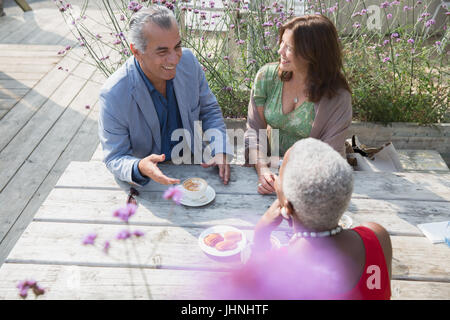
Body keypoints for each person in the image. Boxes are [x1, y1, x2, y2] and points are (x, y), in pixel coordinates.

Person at [220, 138, 391, 299]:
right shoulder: (377, 236)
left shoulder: (277, 268)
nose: (277, 179)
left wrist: (261, 236)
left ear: (287, 205)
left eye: (280, 172)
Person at [98, 5, 232, 187]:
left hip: (195, 167)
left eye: (177, 46)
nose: (175, 58)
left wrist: (220, 149)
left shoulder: (189, 62)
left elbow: (209, 110)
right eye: (162, 52)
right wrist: (138, 166)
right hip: (147, 183)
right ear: (136, 51)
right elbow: (115, 157)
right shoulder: (112, 94)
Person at [244, 14, 352, 195]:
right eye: (281, 43)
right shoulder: (267, 76)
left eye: (289, 48)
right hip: (268, 171)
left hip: (315, 180)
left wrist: (279, 165)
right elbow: (254, 129)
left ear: (312, 54)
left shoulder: (338, 97)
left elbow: (326, 157)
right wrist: (262, 167)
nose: (280, 51)